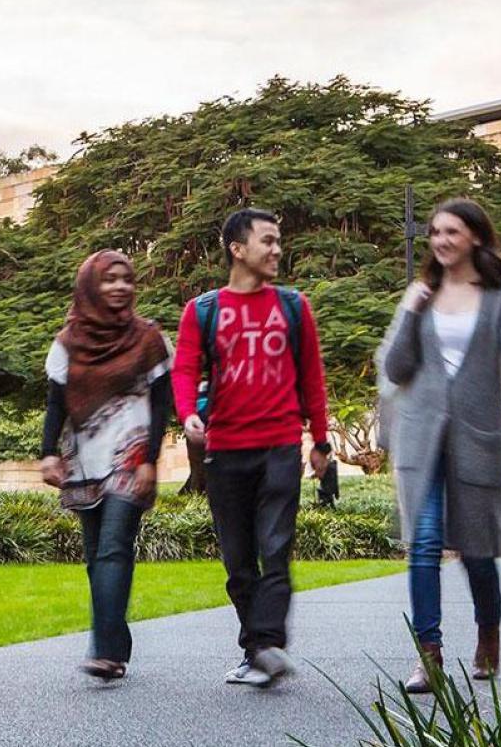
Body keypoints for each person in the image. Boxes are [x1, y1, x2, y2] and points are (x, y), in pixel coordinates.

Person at [381, 198, 501, 693]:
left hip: (478, 438)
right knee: (424, 544)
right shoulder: (422, 294)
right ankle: (428, 655)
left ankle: (487, 634)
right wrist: (409, 311)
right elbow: (394, 369)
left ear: (474, 236)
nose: (441, 240)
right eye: (434, 232)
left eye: (451, 231)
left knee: (476, 550)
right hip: (420, 441)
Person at [172, 208, 330, 688]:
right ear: (237, 249)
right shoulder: (204, 309)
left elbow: (312, 379)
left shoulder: (293, 306)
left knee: (276, 549)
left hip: (280, 444)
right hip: (226, 450)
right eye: (268, 241)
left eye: (279, 240)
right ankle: (255, 648)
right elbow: (184, 370)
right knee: (238, 561)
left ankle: (267, 644)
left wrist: (320, 440)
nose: (277, 249)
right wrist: (188, 414)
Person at [40, 250, 172, 681]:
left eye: (126, 279)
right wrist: (48, 453)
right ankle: (116, 641)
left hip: (130, 458)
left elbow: (162, 402)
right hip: (84, 460)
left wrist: (151, 458)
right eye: (109, 280)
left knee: (114, 546)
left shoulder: (149, 339)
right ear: (90, 287)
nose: (120, 287)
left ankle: (107, 652)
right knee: (96, 557)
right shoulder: (67, 344)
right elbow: (56, 404)